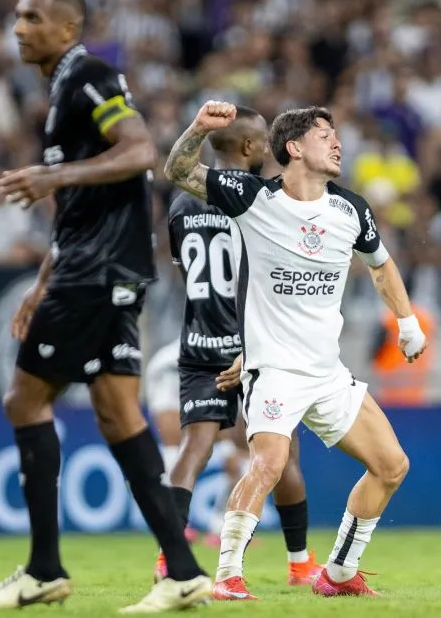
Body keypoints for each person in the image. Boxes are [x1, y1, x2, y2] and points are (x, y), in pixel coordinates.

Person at [0, 0, 211, 612]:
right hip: (97, 269)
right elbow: (82, 208)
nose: (19, 27)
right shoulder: (62, 90)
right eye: (17, 16)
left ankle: (43, 568)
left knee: (25, 400)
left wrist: (53, 174)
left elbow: (140, 150)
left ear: (67, 29)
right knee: (117, 415)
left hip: (98, 273)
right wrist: (44, 279)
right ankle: (182, 572)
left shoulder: (89, 76)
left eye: (33, 17)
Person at [163, 101, 426, 600]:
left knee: (392, 465)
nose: (336, 143)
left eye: (335, 134)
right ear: (294, 148)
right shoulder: (252, 198)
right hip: (274, 369)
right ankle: (227, 578)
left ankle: (339, 573)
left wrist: (407, 321)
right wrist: (197, 127)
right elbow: (177, 171)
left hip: (327, 374)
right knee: (269, 462)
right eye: (324, 135)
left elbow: (381, 266)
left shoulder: (351, 210)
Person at [157, 106, 323, 587]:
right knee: (283, 455)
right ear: (249, 148)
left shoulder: (179, 204)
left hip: (199, 341)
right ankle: (299, 565)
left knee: (195, 448)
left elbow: (184, 270)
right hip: (254, 347)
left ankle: (168, 561)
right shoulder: (263, 199)